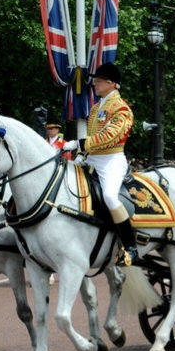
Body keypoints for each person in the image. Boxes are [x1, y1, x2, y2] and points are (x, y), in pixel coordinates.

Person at [62, 62, 137, 266]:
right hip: (92, 157)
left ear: (111, 83)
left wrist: (78, 143)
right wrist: (81, 153)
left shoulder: (121, 109)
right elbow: (94, 135)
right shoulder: (96, 108)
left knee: (110, 196)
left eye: (98, 80)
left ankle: (130, 246)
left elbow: (110, 136)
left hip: (111, 159)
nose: (94, 83)